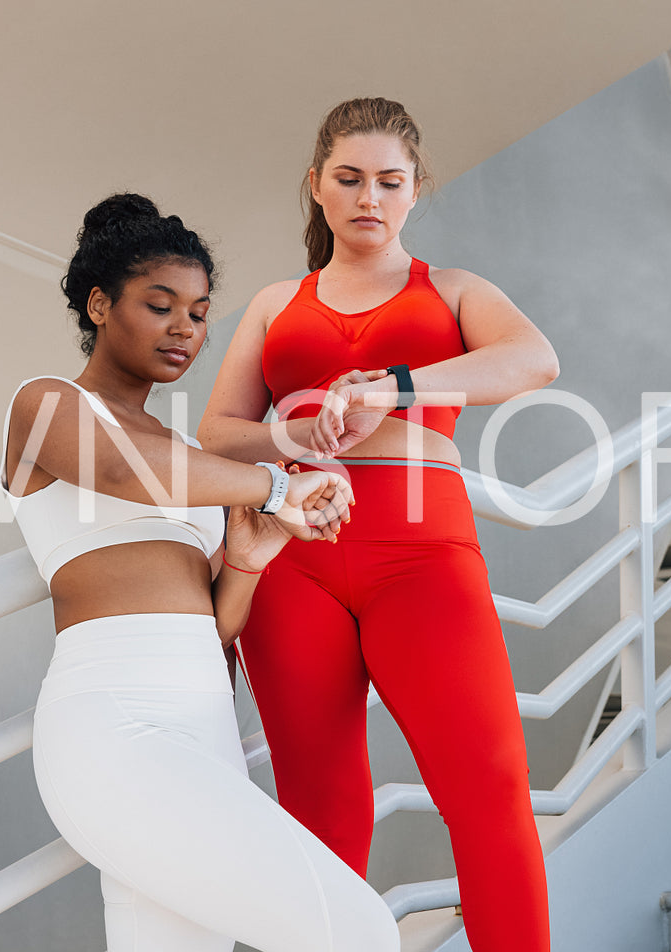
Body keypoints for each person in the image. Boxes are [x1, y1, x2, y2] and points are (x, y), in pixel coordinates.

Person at [198, 97, 559, 951]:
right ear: (316, 188)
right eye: (349, 179)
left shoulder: (456, 290)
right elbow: (216, 433)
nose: (369, 198)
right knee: (319, 805)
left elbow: (534, 359)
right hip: (293, 557)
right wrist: (295, 428)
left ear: (414, 190)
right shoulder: (273, 302)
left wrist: (393, 387)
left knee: (488, 785)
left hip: (422, 554)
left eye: (389, 182)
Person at [0, 193, 400, 952]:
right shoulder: (46, 404)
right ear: (98, 303)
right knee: (358, 933)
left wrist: (246, 560)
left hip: (205, 727)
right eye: (160, 305)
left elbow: (214, 628)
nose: (185, 327)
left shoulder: (183, 453)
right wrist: (278, 486)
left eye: (199, 310)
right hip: (116, 726)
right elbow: (121, 468)